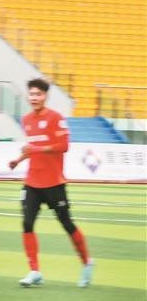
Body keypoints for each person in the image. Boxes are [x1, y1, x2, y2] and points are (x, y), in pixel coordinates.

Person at [9, 78, 94, 288]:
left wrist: (37, 149)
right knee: (27, 223)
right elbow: (33, 147)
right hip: (32, 182)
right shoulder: (26, 120)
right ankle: (34, 271)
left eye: (38, 94)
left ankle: (87, 262)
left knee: (66, 223)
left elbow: (64, 146)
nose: (34, 98)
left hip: (54, 183)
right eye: (32, 94)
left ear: (45, 96)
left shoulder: (56, 118)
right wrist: (18, 160)